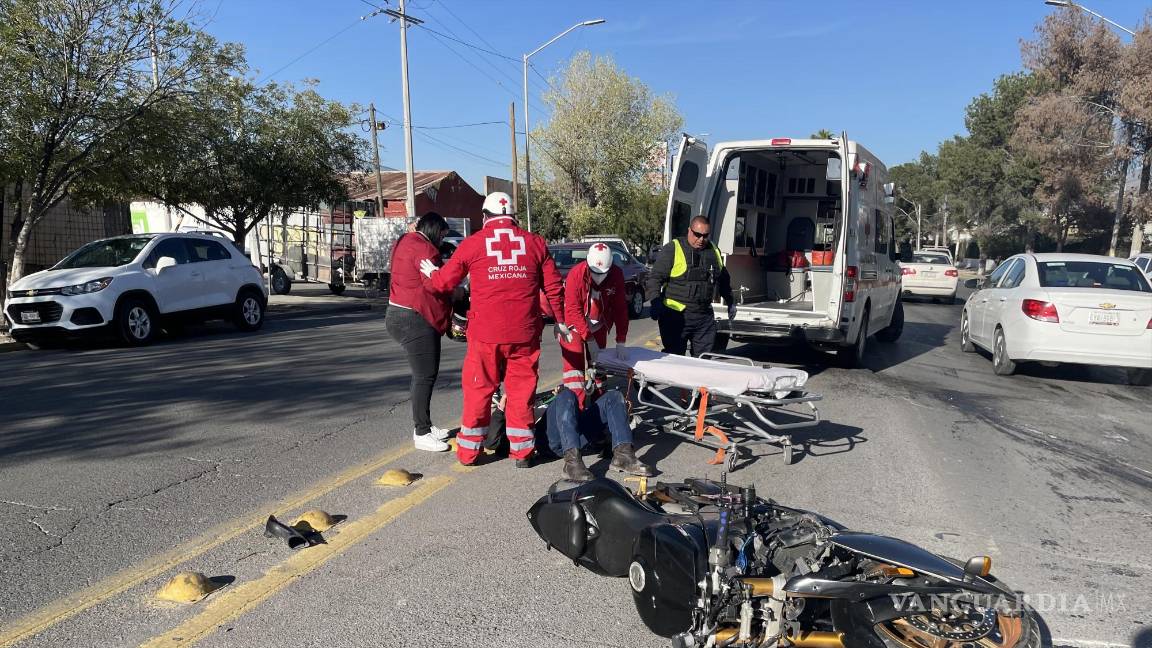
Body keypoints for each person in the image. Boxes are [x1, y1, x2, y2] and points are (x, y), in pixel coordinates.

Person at [420, 191, 568, 468]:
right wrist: (560, 321)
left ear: (485, 216)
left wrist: (431, 275)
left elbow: (444, 283)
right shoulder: (535, 243)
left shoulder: (474, 243)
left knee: (479, 391)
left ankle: (469, 453)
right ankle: (523, 453)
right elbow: (554, 287)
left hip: (486, 335)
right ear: (513, 216)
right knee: (521, 392)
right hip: (524, 333)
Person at [385, 212, 454, 452]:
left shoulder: (404, 240)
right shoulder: (427, 250)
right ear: (435, 230)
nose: (442, 240)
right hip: (415, 318)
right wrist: (456, 290)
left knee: (423, 375)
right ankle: (422, 432)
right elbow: (436, 285)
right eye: (442, 235)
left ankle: (426, 425)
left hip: (397, 313)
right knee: (424, 376)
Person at [645, 215, 734, 357]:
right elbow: (655, 278)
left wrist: (730, 301)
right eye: (697, 235)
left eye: (705, 236)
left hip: (703, 316)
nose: (701, 239)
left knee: (704, 359)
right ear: (689, 230)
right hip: (676, 317)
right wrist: (655, 302)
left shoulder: (713, 250)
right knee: (675, 358)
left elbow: (723, 279)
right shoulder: (673, 248)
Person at [544, 386, 654, 482]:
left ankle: (623, 456)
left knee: (614, 396)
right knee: (566, 394)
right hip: (553, 441)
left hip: (575, 433)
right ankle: (572, 464)